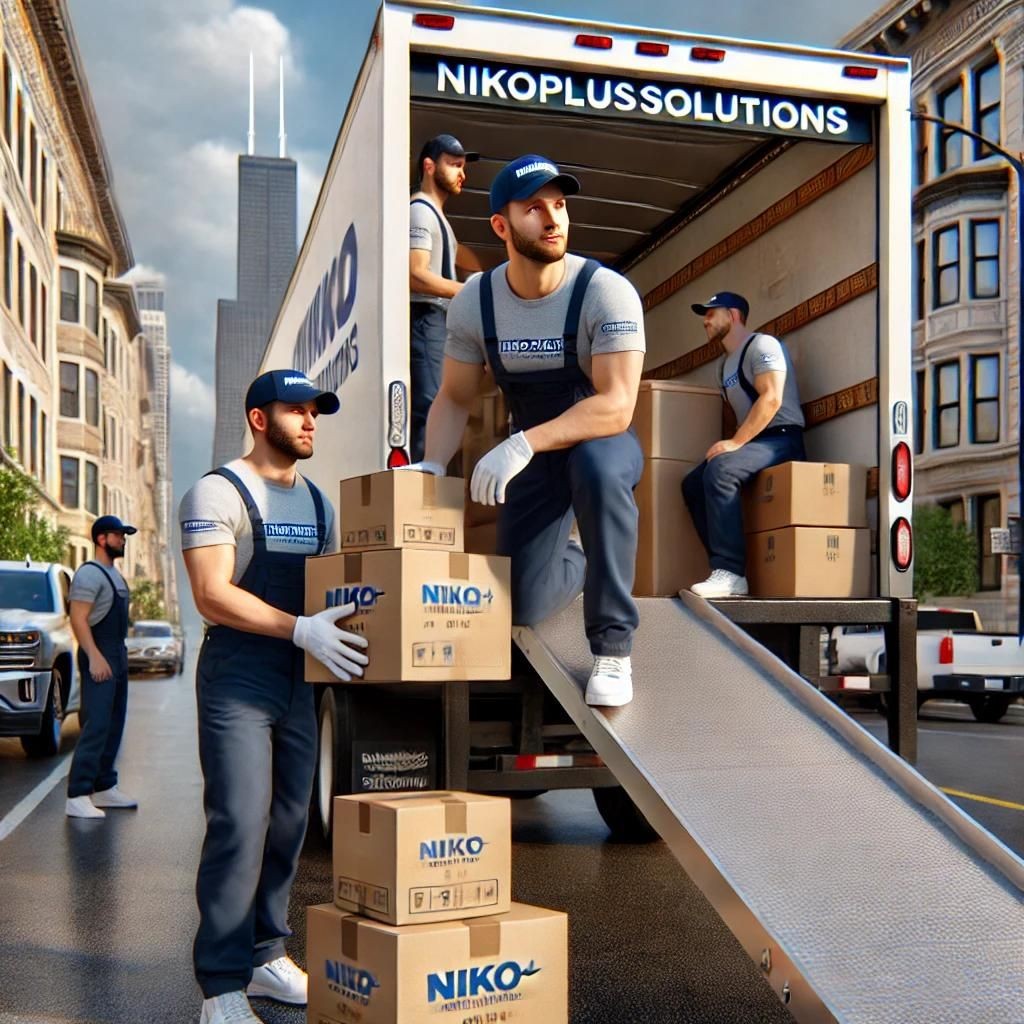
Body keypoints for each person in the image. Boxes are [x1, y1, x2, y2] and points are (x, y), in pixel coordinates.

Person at [406, 154, 646, 708]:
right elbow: (454, 396)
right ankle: (581, 555)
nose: (553, 218)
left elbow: (617, 406)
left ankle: (613, 646)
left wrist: (522, 441)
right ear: (501, 225)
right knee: (519, 605)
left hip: (598, 440)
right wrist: (432, 468)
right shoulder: (475, 302)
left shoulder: (604, 291)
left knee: (598, 467)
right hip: (533, 454)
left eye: (559, 205)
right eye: (534, 208)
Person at [179, 369, 369, 1024]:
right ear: (260, 418)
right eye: (297, 410)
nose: (311, 420)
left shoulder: (320, 504)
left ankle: (264, 955)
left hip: (301, 671)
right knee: (240, 819)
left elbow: (339, 589)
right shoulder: (218, 491)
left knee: (291, 820)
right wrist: (298, 628)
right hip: (240, 673)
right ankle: (221, 985)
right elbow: (211, 592)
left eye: (316, 411)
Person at [682, 292, 806, 598]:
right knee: (692, 484)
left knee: (721, 469)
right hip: (756, 442)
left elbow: (772, 398)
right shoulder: (722, 367)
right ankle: (720, 567)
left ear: (734, 315)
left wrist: (735, 443)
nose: (705, 320)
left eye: (712, 313)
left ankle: (731, 572)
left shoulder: (762, 345)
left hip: (783, 438)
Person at [409, 133, 479, 461]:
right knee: (431, 409)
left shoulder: (437, 217)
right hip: (426, 319)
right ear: (428, 166)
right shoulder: (421, 212)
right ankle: (425, 498)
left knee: (438, 407)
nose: (461, 173)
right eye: (453, 165)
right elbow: (414, 274)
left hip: (436, 323)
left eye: (463, 166)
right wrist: (471, 291)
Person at [65, 515, 138, 819]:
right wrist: (94, 656)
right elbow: (78, 618)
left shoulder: (115, 575)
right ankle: (78, 793)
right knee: (96, 724)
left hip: (117, 653)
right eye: (118, 535)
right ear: (101, 539)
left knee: (114, 722)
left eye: (124, 535)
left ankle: (104, 786)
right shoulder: (89, 575)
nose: (123, 539)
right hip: (100, 651)